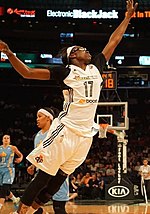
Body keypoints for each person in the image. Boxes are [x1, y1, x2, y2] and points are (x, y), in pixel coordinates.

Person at [0, 1, 138, 213]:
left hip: (85, 134)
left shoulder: (96, 67)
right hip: (66, 129)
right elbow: (27, 72)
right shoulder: (65, 72)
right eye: (82, 49)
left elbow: (114, 40)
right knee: (45, 175)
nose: (87, 50)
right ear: (73, 56)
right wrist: (9, 53)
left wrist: (128, 17)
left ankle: (36, 208)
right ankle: (21, 211)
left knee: (61, 177)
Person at [27, 107, 69, 214]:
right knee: (33, 205)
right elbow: (38, 155)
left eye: (40, 116)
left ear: (48, 118)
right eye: (37, 117)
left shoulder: (57, 133)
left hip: (56, 175)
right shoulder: (37, 136)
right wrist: (33, 166)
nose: (37, 119)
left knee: (59, 208)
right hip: (41, 177)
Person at [0, 134, 23, 211]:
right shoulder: (0, 148)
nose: (6, 139)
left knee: (4, 188)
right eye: (4, 138)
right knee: (4, 189)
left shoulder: (13, 148)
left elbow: (20, 155)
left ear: (9, 140)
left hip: (9, 170)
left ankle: (0, 205)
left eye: (8, 138)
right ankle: (15, 199)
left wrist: (20, 159)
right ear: (2, 140)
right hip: (0, 170)